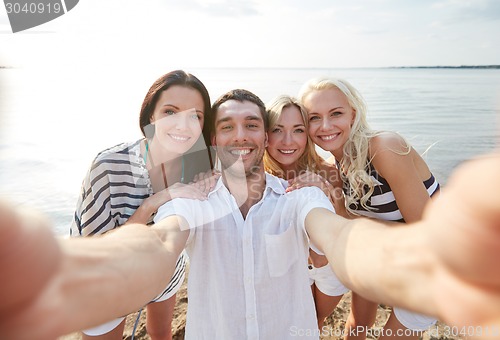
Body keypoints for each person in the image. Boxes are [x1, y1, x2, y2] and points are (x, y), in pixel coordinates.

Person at [1, 90, 500, 339]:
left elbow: (340, 238)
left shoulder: (300, 194)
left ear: (263, 137)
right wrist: (71, 276)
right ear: (213, 139)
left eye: (251, 126)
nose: (241, 135)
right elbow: (160, 244)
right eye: (228, 127)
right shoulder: (192, 198)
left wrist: (408, 264)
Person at [70, 70, 215, 340]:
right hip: (104, 278)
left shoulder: (199, 165)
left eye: (195, 115)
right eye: (170, 112)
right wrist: (151, 204)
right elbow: (90, 251)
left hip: (165, 271)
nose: (183, 125)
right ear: (151, 115)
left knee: (161, 334)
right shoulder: (109, 165)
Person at [298, 77, 441, 339]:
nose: (325, 126)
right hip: (388, 260)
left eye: (336, 114)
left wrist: (342, 213)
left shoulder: (384, 148)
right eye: (314, 118)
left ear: (353, 114)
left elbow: (427, 235)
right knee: (356, 326)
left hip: (434, 268)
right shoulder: (337, 166)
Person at [263, 94, 349, 328]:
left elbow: (346, 227)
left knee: (314, 322)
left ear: (308, 135)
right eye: (278, 130)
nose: (288, 141)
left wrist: (328, 191)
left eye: (298, 130)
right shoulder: (257, 176)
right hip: (286, 267)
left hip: (326, 268)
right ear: (265, 134)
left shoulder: (329, 171)